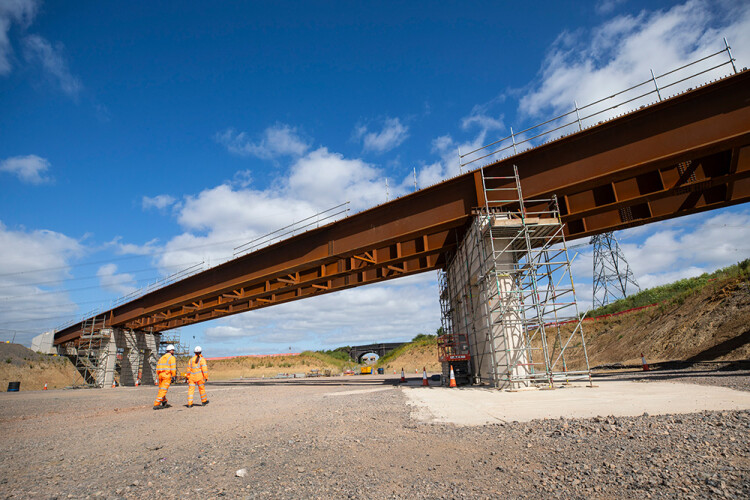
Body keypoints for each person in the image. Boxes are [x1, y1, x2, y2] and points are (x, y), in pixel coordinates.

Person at [153, 344, 177, 410]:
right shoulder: (171, 358)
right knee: (163, 390)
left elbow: (157, 367)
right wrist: (174, 376)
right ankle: (156, 404)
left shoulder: (162, 357)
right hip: (166, 375)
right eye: (173, 350)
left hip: (160, 375)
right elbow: (173, 367)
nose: (173, 352)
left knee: (161, 389)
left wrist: (158, 374)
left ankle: (164, 401)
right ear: (171, 351)